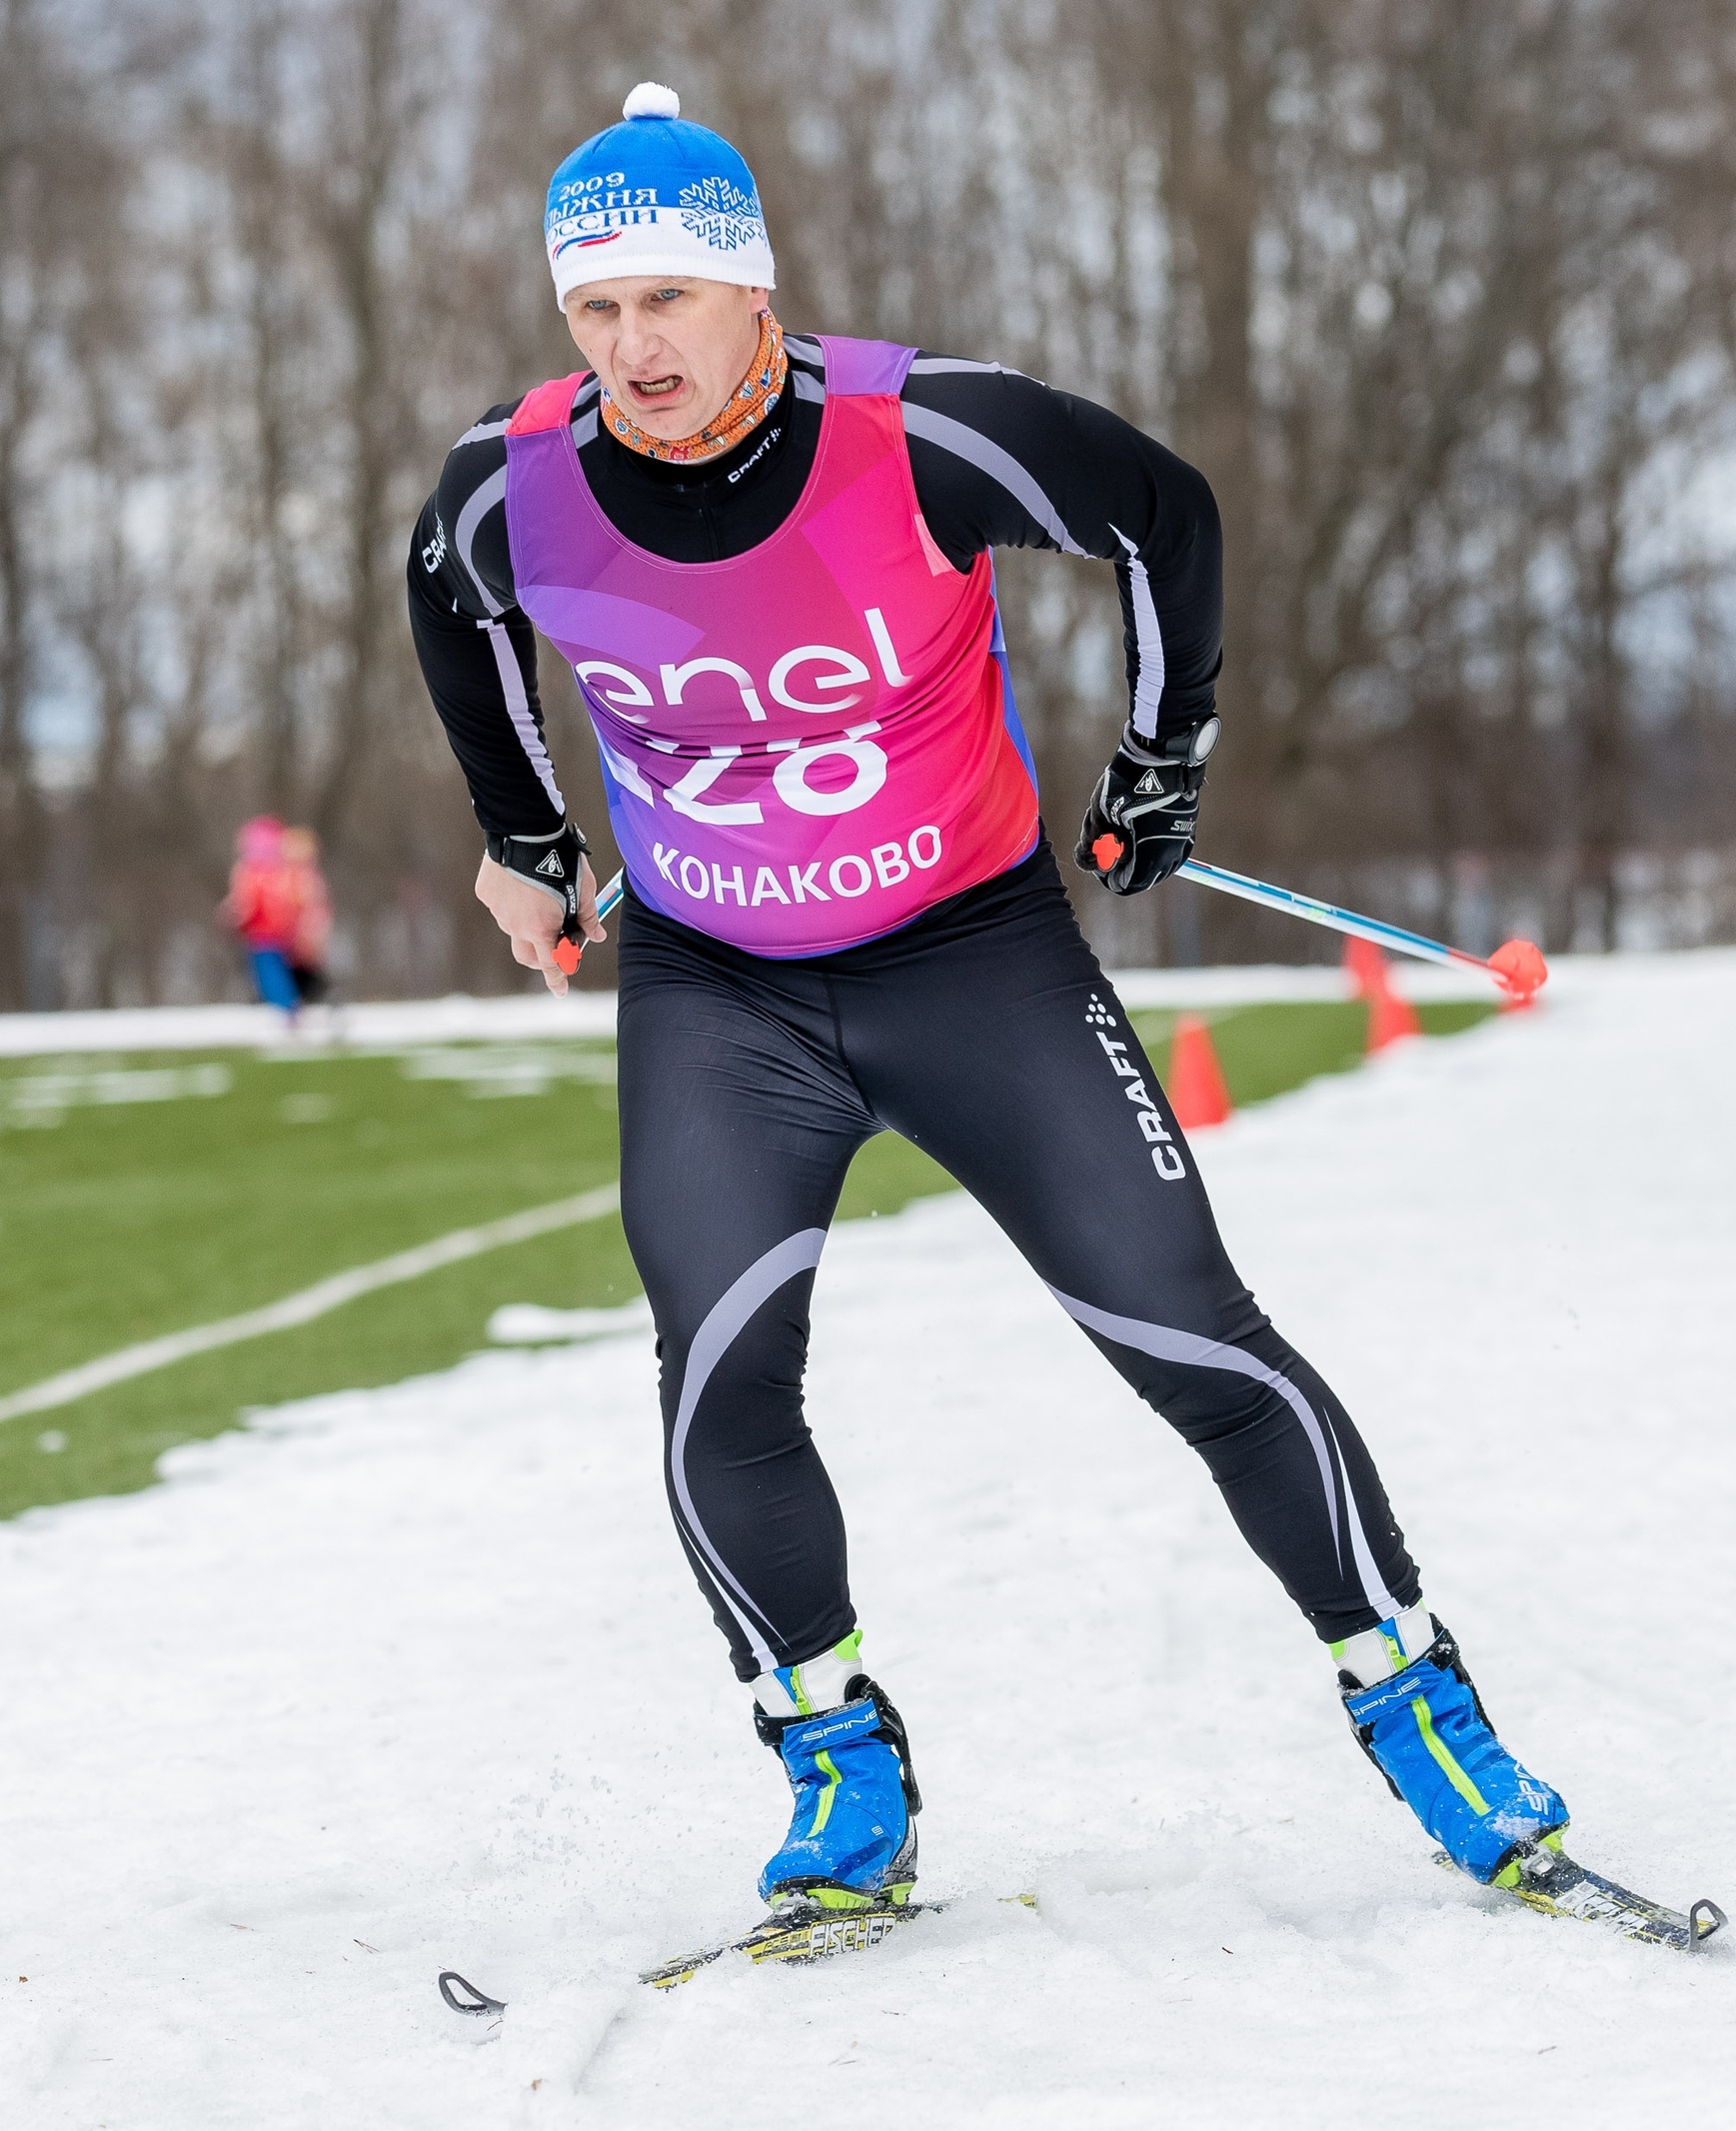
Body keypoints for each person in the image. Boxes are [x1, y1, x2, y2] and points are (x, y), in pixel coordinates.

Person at [408, 83, 1564, 1924]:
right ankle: (832, 1757)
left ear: (750, 296)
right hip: (718, 993)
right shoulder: (510, 479)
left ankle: (1413, 1698)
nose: (630, 349)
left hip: (970, 959)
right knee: (715, 1377)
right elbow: (441, 590)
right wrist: (521, 835)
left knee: (1190, 1340)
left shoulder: (919, 431)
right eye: (592, 311)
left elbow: (1158, 514)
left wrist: (1159, 761)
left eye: (666, 303)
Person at [221, 815, 303, 1020]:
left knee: (269, 973)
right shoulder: (281, 873)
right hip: (278, 933)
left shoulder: (251, 874)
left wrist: (234, 916)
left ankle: (286, 1007)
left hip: (262, 933)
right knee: (277, 971)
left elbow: (245, 904)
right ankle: (287, 1005)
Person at [282, 826, 334, 1008]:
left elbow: (315, 908)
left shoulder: (308, 878)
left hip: (305, 934)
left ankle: (320, 1000)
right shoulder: (288, 876)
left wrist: (312, 932)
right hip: (291, 936)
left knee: (308, 973)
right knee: (296, 973)